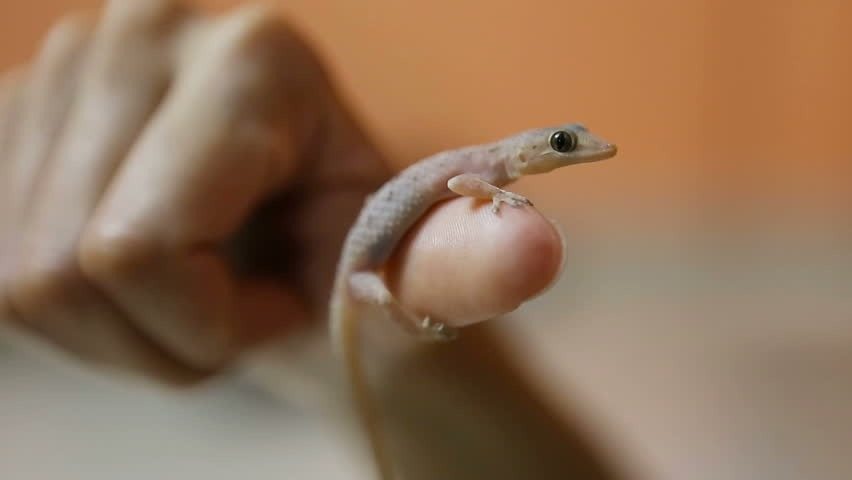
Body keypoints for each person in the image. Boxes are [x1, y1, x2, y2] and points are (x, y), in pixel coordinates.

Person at [0, 0, 564, 385]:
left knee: (374, 312)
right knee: (376, 303)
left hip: (360, 264)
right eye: (563, 144)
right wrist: (498, 198)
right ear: (528, 151)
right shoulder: (486, 168)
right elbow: (463, 185)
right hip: (360, 263)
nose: (573, 152)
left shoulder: (498, 169)